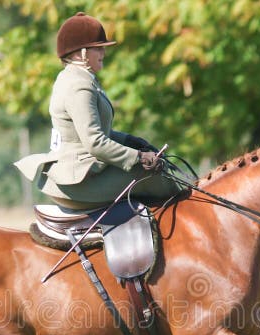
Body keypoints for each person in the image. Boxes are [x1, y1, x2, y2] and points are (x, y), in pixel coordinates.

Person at [15, 12, 183, 210]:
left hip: (83, 172)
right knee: (152, 177)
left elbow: (96, 132)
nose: (103, 52)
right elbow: (95, 142)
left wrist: (131, 141)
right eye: (98, 48)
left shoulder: (76, 78)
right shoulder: (79, 86)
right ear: (81, 53)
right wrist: (138, 157)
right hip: (79, 180)